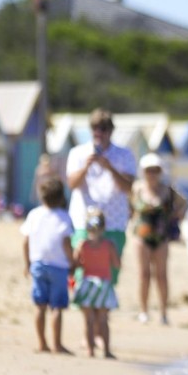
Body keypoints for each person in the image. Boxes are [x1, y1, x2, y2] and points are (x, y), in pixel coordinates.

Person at [66, 109, 136, 286]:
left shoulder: (124, 154)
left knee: (109, 278)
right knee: (82, 276)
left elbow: (129, 188)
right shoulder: (78, 153)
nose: (99, 132)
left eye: (103, 128)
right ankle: (88, 312)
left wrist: (110, 168)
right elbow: (72, 184)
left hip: (114, 223)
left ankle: (103, 313)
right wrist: (86, 167)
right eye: (95, 128)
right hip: (83, 222)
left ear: (111, 131)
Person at [20, 176, 74, 354]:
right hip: (59, 267)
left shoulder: (34, 214)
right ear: (61, 197)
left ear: (41, 197)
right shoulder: (64, 217)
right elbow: (66, 243)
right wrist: (72, 261)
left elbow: (25, 242)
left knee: (40, 306)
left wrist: (27, 263)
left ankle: (42, 343)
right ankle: (57, 345)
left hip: (38, 265)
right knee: (57, 307)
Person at [130, 152, 186, 325]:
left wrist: (175, 217)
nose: (152, 174)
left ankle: (163, 312)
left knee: (161, 275)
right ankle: (143, 311)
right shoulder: (137, 188)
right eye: (149, 170)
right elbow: (132, 207)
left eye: (155, 170)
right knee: (144, 275)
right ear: (143, 171)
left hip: (162, 237)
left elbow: (183, 203)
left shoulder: (168, 189)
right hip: (141, 236)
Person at [72, 208, 121, 358]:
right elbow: (116, 264)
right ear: (104, 227)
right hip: (103, 285)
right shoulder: (109, 245)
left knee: (88, 320)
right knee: (103, 320)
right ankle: (106, 350)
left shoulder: (82, 245)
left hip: (87, 284)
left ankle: (90, 350)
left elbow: (75, 264)